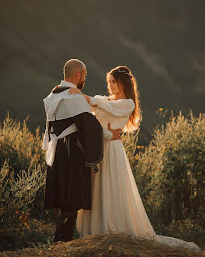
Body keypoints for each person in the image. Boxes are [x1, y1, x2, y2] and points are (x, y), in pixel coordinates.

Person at [69, 65, 200, 252]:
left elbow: (101, 105)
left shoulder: (127, 103)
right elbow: (95, 109)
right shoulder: (107, 99)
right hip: (98, 148)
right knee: (97, 188)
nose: (111, 85)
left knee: (110, 187)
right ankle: (95, 229)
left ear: (123, 83)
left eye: (113, 82)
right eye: (109, 82)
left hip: (112, 151)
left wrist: (81, 96)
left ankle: (110, 228)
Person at [42, 59, 122, 243]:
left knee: (65, 195)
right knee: (73, 196)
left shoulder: (53, 94)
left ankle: (60, 237)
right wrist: (110, 135)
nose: (84, 79)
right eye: (84, 75)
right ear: (77, 75)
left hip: (56, 151)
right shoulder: (75, 98)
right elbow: (91, 127)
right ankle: (62, 239)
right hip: (72, 152)